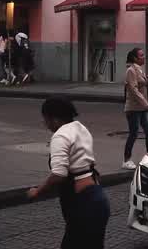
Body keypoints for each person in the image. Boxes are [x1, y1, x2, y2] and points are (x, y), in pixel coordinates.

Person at [26, 97, 109, 249]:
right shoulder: (81, 128)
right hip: (98, 198)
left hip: (82, 204)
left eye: (46, 120)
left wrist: (37, 191)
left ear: (55, 119)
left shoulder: (60, 136)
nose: (46, 124)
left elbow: (59, 174)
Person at [122, 47, 148, 170]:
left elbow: (143, 86)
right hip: (134, 108)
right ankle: (126, 160)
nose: (143, 57)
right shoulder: (131, 70)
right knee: (133, 133)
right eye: (141, 55)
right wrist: (145, 103)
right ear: (135, 58)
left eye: (143, 55)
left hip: (142, 108)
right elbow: (133, 89)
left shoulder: (139, 70)